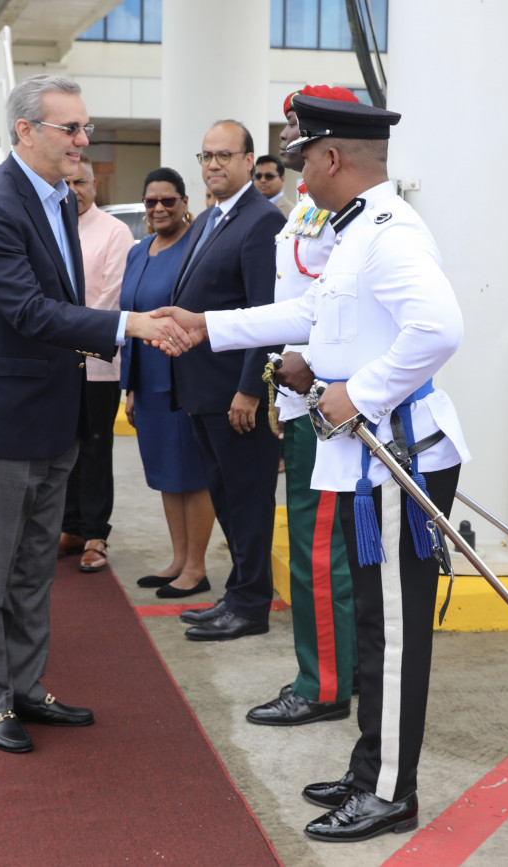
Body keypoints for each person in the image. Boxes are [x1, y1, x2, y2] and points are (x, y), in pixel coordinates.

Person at [153, 93, 469, 843]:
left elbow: (439, 329)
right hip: (366, 461)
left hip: (397, 459)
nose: (297, 175)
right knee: (373, 625)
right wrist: (208, 325)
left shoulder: (389, 232)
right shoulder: (353, 229)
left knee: (393, 636)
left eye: (303, 161)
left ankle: (390, 791)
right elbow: (311, 316)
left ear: (333, 158)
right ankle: (370, 769)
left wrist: (357, 391)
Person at [0, 73, 189, 754]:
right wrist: (129, 324)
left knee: (33, 566)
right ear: (26, 131)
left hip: (55, 410)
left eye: (86, 127)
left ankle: (26, 685)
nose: (84, 139)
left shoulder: (55, 199)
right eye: (71, 128)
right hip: (4, 419)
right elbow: (28, 311)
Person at [246, 85, 363, 728]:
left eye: (297, 127)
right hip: (299, 400)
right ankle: (332, 670)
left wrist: (311, 360)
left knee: (319, 553)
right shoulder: (303, 209)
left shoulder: (350, 217)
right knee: (319, 548)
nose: (286, 137)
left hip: (324, 401)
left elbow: (348, 308)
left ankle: (322, 687)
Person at [169, 120, 287, 642]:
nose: (213, 164)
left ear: (248, 161)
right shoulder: (210, 218)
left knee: (247, 499)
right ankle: (238, 593)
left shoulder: (261, 220)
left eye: (223, 155)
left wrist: (250, 389)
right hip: (203, 389)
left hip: (236, 394)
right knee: (226, 498)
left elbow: (266, 312)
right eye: (206, 156)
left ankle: (250, 606)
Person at [119, 168, 215, 598]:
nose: (158, 208)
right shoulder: (138, 251)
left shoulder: (195, 248)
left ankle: (196, 567)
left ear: (184, 202)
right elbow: (129, 321)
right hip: (146, 379)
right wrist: (129, 388)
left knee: (191, 474)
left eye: (168, 201)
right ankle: (178, 559)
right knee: (165, 473)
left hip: (183, 378)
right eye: (151, 201)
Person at [56, 155, 133, 574]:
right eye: (66, 183)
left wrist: (69, 337)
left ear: (95, 186)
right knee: (62, 446)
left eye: (81, 183)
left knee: (95, 447)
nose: (73, 192)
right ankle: (69, 526)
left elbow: (111, 298)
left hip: (96, 362)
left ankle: (95, 533)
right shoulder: (51, 226)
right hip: (56, 360)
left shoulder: (114, 231)